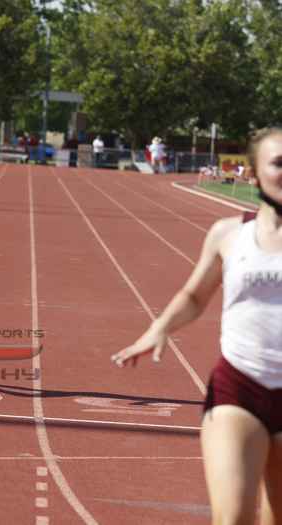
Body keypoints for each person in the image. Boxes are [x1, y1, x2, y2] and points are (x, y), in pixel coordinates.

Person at [111, 127, 282, 525]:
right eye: (279, 163)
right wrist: (160, 328)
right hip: (240, 386)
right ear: (254, 173)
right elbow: (194, 296)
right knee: (232, 518)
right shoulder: (229, 234)